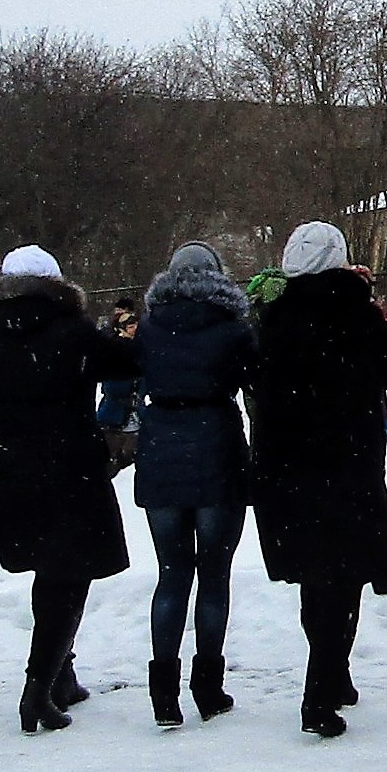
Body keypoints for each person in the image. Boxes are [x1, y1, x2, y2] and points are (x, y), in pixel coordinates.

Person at [250, 222, 387, 737]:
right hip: (344, 465)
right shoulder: (352, 318)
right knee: (341, 579)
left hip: (283, 466)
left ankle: (335, 676)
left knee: (313, 575)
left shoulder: (271, 319)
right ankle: (319, 695)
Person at [0, 245, 140, 733]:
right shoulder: (74, 334)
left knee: (47, 574)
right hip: (68, 469)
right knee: (67, 578)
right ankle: (39, 688)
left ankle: (59, 674)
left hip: (11, 470)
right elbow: (129, 360)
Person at [131, 243, 258, 724]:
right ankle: (208, 686)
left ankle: (163, 692)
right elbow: (257, 381)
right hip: (217, 447)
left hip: (162, 448)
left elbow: (128, 372)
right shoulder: (233, 330)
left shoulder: (150, 327)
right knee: (214, 575)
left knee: (171, 574)